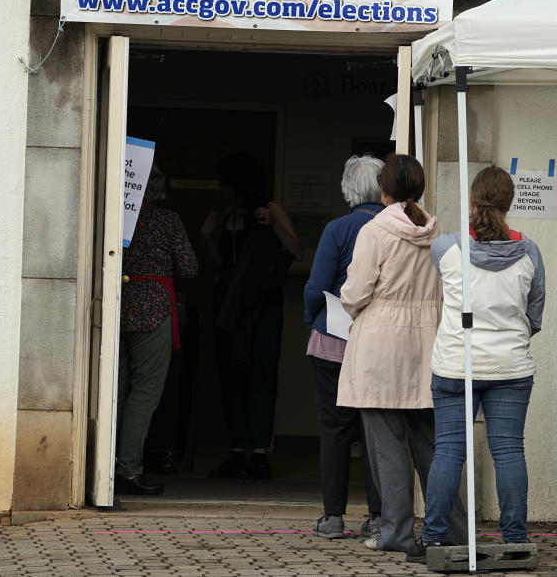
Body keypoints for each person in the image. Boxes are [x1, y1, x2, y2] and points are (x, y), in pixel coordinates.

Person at [408, 165, 545, 564]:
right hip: (511, 366)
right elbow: (534, 315)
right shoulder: (530, 252)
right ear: (510, 202)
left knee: (449, 451)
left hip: (456, 362)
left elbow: (435, 246)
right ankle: (516, 541)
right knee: (508, 451)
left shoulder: (447, 248)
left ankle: (433, 538)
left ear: (471, 200)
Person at [337, 153, 467, 554]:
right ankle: (453, 529)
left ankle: (396, 532)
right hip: (428, 341)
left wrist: (349, 302)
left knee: (385, 444)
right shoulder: (438, 230)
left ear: (383, 190)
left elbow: (356, 292)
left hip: (380, 342)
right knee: (433, 443)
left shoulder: (374, 230)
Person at [201, 152, 301, 480]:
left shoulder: (271, 209)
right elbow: (223, 264)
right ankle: (237, 451)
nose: (221, 188)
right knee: (233, 379)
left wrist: (274, 223)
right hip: (232, 306)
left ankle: (258, 453)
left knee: (261, 378)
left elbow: (295, 250)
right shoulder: (228, 215)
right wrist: (206, 237)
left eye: (225, 183)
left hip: (261, 307)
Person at [302, 154, 386, 540]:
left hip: (333, 341)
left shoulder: (338, 228)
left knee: (334, 430)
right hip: (380, 343)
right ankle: (379, 515)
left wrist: (312, 318)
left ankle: (333, 517)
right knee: (375, 430)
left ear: (347, 189)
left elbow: (315, 285)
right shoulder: (393, 228)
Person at [115, 166, 198, 497]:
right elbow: (190, 267)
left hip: (115, 302)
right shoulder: (167, 220)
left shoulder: (115, 216)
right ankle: (129, 471)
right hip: (153, 307)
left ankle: (103, 464)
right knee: (145, 392)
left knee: (115, 390)